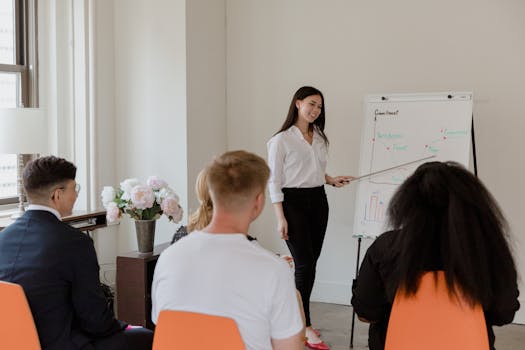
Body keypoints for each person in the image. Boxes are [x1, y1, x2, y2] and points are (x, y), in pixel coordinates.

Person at [351, 161, 520, 350]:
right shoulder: (486, 250)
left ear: (408, 202)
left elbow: (366, 313)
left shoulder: (385, 248)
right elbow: (504, 314)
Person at [152, 150, 304, 350]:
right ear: (258, 202)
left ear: (212, 195)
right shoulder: (274, 270)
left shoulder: (169, 258)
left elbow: (166, 328)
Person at [0, 156, 153, 350]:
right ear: (57, 195)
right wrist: (127, 327)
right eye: (74, 188)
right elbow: (96, 321)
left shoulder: (3, 238)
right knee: (146, 337)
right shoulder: (74, 242)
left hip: (12, 343)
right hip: (62, 343)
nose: (76, 195)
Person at [267, 85, 353, 350]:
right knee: (304, 265)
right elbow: (275, 181)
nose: (315, 110)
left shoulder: (319, 137)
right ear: (297, 103)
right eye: (311, 104)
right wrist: (280, 217)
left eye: (319, 106)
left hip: (318, 201)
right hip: (292, 203)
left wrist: (330, 179)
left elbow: (314, 170)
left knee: (311, 264)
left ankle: (296, 319)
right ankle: (302, 326)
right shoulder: (280, 140)